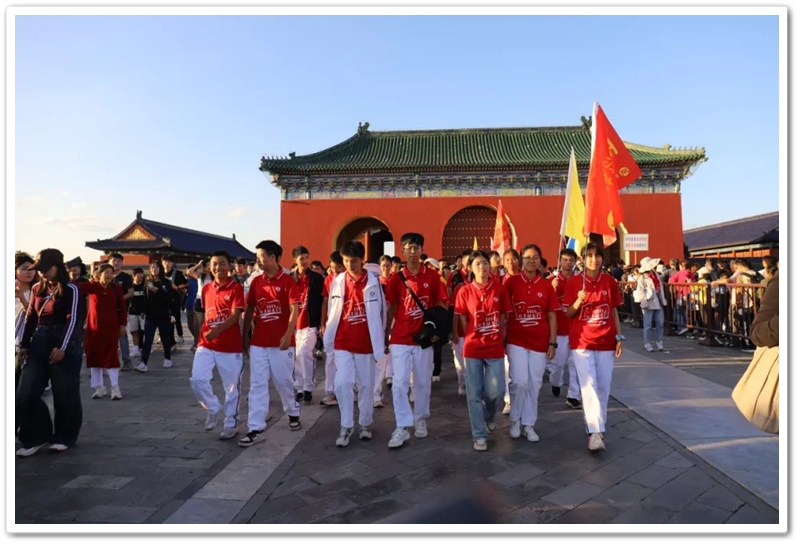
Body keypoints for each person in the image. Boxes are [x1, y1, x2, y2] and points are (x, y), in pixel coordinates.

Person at [16, 249, 84, 456]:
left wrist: (62, 346)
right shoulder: (37, 288)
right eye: (40, 269)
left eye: (46, 269)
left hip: (64, 341)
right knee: (25, 392)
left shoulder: (72, 289)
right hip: (39, 340)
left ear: (58, 267)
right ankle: (36, 435)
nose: (42, 273)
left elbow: (73, 319)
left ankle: (64, 436)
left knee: (64, 393)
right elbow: (31, 317)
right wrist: (24, 344)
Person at [384, 232, 448, 448]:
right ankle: (402, 426)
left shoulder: (432, 276)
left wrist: (439, 330)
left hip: (423, 338)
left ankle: (420, 418)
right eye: (409, 247)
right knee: (399, 383)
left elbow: (440, 304)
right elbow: (392, 306)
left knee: (422, 382)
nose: (413, 251)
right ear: (402, 250)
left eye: (416, 247)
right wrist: (386, 332)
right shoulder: (396, 278)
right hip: (401, 337)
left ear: (421, 250)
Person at [239, 240, 302, 447]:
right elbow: (250, 308)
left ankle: (292, 411)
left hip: (282, 343)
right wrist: (245, 335)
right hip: (259, 342)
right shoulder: (256, 282)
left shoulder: (288, 281)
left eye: (260, 256)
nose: (257, 260)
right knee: (257, 384)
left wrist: (288, 333)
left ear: (273, 257)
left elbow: (294, 309)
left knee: (283, 381)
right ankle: (255, 428)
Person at [324, 241, 386, 447]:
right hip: (342, 340)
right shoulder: (337, 281)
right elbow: (332, 309)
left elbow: (382, 312)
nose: (350, 265)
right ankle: (346, 425)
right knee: (342, 383)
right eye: (346, 261)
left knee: (366, 385)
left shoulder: (373, 282)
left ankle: (365, 423)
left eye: (354, 261)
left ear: (362, 260)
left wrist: (382, 338)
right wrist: (328, 333)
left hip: (366, 342)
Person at [563, 243, 624, 452]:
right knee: (589, 385)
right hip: (582, 341)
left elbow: (614, 311)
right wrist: (578, 301)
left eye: (597, 255)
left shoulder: (609, 281)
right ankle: (595, 431)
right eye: (589, 255)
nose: (594, 259)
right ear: (582, 259)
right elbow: (568, 313)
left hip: (606, 341)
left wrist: (619, 336)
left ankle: (597, 426)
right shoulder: (574, 282)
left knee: (604, 386)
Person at [454, 250, 512, 451]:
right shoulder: (464, 291)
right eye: (477, 263)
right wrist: (471, 335)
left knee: (497, 392)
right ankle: (479, 434)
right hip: (473, 349)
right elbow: (463, 318)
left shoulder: (499, 289)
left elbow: (503, 315)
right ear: (470, 268)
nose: (482, 267)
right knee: (474, 393)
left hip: (494, 347)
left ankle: (488, 417)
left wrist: (499, 336)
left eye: (485, 263)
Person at [503, 244, 558, 443]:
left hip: (539, 342)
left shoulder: (546, 286)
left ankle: (528, 424)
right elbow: (503, 313)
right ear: (521, 260)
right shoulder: (511, 283)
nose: (531, 261)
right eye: (527, 257)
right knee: (520, 381)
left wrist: (553, 343)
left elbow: (551, 315)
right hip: (516, 340)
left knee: (535, 383)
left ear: (540, 261)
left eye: (535, 257)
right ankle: (515, 420)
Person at [190, 251, 246, 440]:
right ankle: (213, 407)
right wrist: (209, 332)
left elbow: (236, 316)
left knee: (232, 388)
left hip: (230, 347)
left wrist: (217, 330)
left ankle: (231, 423)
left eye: (222, 263)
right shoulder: (206, 289)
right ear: (209, 267)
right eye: (214, 264)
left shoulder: (236, 288)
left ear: (229, 266)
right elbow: (207, 314)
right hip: (206, 343)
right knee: (197, 380)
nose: (217, 267)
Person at [80, 263, 128, 400]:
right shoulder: (92, 286)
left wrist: (122, 324)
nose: (109, 275)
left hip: (111, 325)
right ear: (99, 274)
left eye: (111, 273)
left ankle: (115, 387)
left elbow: (122, 307)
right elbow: (75, 287)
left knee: (111, 354)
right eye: (106, 272)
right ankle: (99, 387)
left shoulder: (116, 288)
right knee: (94, 354)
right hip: (94, 326)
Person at [546, 248, 582, 409]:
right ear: (559, 261)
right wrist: (551, 288)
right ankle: (556, 382)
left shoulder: (580, 281)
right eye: (565, 260)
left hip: (576, 329)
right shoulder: (551, 281)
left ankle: (573, 395)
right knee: (558, 364)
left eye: (571, 260)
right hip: (559, 329)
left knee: (575, 364)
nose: (568, 263)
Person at [291, 246, 325, 404]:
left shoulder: (317, 278)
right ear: (295, 260)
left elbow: (323, 301)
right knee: (297, 356)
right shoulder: (290, 279)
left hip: (310, 322)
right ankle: (299, 387)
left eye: (306, 257)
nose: (305, 261)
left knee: (305, 352)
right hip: (294, 324)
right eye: (301, 258)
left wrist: (322, 323)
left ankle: (308, 387)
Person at [135, 261, 175, 372]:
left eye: (156, 267)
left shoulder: (166, 282)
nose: (154, 270)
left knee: (164, 338)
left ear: (160, 269)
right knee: (148, 339)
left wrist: (156, 290)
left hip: (163, 315)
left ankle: (167, 358)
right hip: (150, 315)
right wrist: (143, 311)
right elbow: (144, 298)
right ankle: (144, 363)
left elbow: (169, 298)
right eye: (152, 268)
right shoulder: (147, 281)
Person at [319, 251, 346, 407]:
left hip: (348, 325)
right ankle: (331, 391)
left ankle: (350, 389)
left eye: (338, 268)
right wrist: (323, 323)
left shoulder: (350, 279)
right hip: (332, 324)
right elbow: (325, 301)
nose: (335, 271)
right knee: (330, 357)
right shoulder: (329, 279)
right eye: (333, 267)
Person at [108, 253, 135, 371]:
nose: (116, 263)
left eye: (118, 261)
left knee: (122, 336)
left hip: (120, 311)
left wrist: (118, 299)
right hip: (106, 311)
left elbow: (131, 293)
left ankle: (126, 361)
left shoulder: (126, 277)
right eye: (114, 260)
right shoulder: (105, 276)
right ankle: (109, 362)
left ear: (122, 263)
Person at [15, 252, 36, 398]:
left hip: (27, 341)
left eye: (32, 269)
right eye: (24, 268)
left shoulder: (38, 290)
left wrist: (22, 298)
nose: (29, 272)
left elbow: (35, 314)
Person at [634, 256, 667, 352]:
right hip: (648, 302)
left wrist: (662, 299)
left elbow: (660, 287)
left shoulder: (655, 274)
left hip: (658, 300)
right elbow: (640, 291)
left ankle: (659, 341)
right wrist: (644, 301)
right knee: (648, 324)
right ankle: (647, 343)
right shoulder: (642, 278)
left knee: (660, 323)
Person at [374, 254, 394, 406]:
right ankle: (375, 392)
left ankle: (390, 375)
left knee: (391, 349)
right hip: (378, 321)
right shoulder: (375, 282)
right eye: (383, 266)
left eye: (388, 265)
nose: (386, 268)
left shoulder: (395, 281)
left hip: (393, 319)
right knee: (380, 355)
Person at [162, 255, 189, 346]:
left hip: (175, 299)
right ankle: (163, 335)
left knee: (176, 318)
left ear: (172, 263)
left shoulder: (177, 273)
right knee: (163, 318)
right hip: (163, 300)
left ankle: (180, 335)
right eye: (165, 262)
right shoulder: (160, 274)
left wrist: (177, 287)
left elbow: (187, 283)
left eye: (169, 262)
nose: (167, 264)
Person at [186, 259, 212, 352]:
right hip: (199, 300)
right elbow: (190, 271)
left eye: (210, 265)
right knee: (198, 325)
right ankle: (197, 343)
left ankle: (208, 342)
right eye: (207, 265)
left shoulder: (215, 277)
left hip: (210, 302)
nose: (209, 267)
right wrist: (199, 264)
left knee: (209, 324)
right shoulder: (200, 276)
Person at [127, 267, 146, 357]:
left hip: (144, 313)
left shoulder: (146, 286)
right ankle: (136, 348)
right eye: (138, 276)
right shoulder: (130, 287)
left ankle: (146, 346)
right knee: (133, 330)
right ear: (133, 276)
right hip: (132, 312)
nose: (140, 277)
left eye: (142, 276)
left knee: (145, 330)